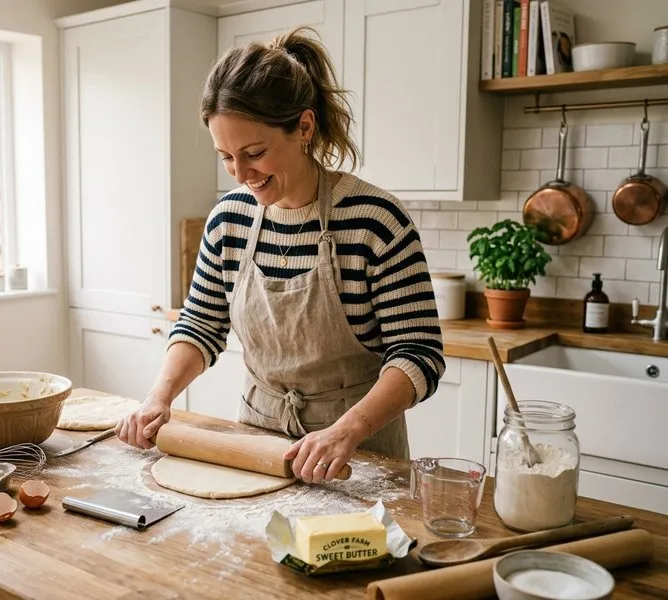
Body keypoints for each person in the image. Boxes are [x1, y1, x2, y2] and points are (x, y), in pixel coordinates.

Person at [117, 26, 445, 483]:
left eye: (254, 152)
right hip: (258, 444)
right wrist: (159, 396)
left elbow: (419, 354)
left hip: (357, 452)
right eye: (226, 157)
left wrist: (347, 430)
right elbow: (201, 324)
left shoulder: (375, 220)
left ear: (304, 127)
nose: (241, 173)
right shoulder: (228, 220)